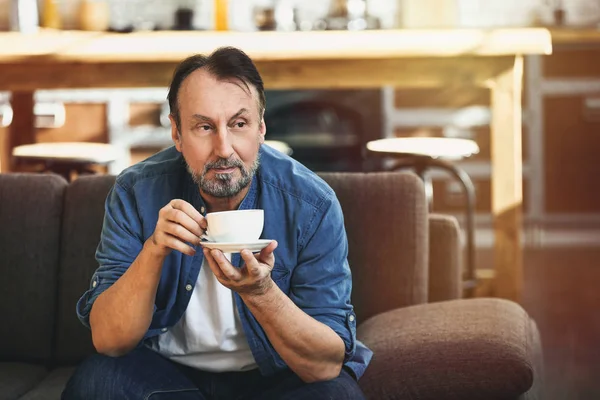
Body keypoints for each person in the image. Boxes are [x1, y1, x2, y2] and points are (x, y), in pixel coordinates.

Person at [62, 46, 372, 400]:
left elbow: (324, 365)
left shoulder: (312, 203)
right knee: (97, 382)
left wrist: (261, 293)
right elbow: (110, 342)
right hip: (165, 377)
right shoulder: (136, 192)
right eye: (204, 127)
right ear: (176, 133)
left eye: (239, 124)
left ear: (261, 128)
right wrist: (153, 251)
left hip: (274, 379)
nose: (223, 148)